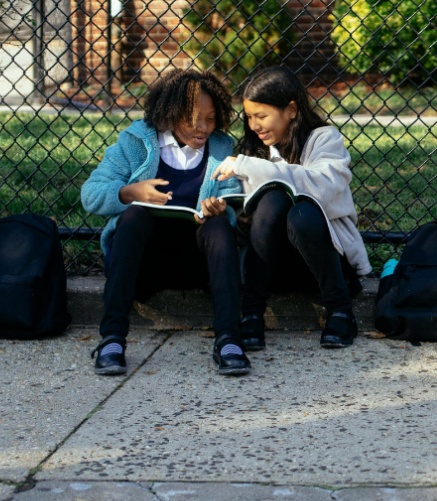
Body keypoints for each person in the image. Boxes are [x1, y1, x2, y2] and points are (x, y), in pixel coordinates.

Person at [81, 68, 249, 376]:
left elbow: (231, 196)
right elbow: (90, 194)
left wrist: (219, 208)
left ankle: (229, 340)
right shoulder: (136, 142)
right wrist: (129, 192)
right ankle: (112, 340)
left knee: (218, 226)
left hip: (198, 266)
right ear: (169, 114)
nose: (203, 128)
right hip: (144, 264)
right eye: (193, 118)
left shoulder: (221, 148)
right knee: (133, 216)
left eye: (211, 119)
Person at [212, 66, 372, 350]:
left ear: (292, 110)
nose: (254, 126)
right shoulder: (253, 150)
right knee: (272, 199)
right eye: (249, 117)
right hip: (272, 266)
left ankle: (340, 310)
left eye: (261, 116)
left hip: (325, 263)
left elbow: (322, 186)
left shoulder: (325, 139)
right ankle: (251, 314)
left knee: (302, 211)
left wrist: (252, 168)